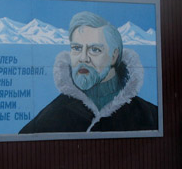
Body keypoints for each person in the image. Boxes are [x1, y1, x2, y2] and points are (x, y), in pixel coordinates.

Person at [19, 11, 158, 133]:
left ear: (114, 56)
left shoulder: (150, 116)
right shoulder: (48, 119)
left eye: (95, 50)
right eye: (77, 48)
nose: (83, 58)